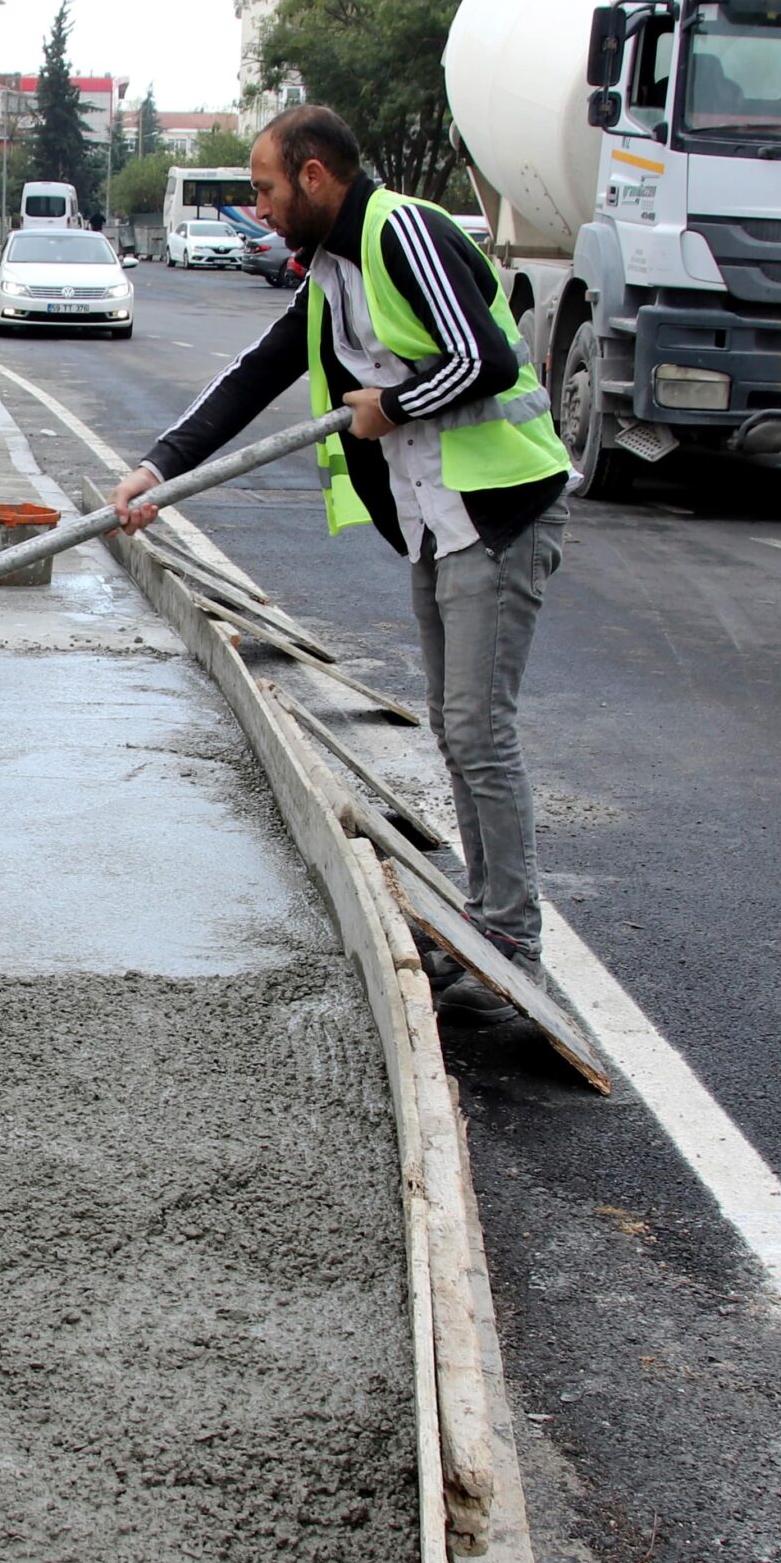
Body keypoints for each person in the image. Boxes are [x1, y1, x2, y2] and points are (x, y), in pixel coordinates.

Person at [110, 105, 573, 1030]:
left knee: (482, 729)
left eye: (268, 187)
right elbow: (254, 374)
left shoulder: (403, 232)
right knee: (455, 726)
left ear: (316, 175)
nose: (260, 206)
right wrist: (160, 467)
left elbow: (482, 358)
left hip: (500, 507)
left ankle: (511, 931)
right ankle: (488, 916)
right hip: (440, 518)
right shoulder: (329, 271)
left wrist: (392, 407)